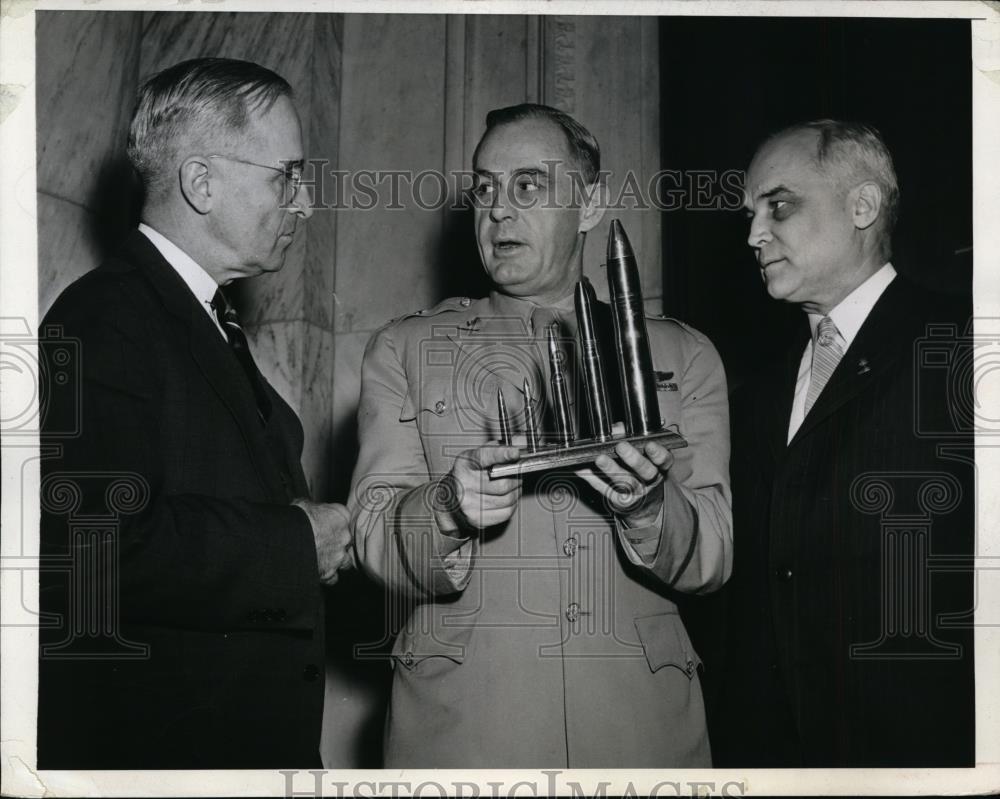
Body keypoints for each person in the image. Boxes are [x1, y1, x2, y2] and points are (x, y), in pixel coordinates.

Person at [348, 103, 731, 768]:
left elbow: (714, 552)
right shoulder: (406, 347)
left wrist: (647, 508)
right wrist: (447, 507)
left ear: (589, 204)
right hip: (464, 733)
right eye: (486, 189)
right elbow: (374, 534)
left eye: (527, 186)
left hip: (641, 734)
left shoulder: (682, 353)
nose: (497, 210)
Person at [37, 57, 352, 769]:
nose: (303, 204)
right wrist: (296, 546)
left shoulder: (202, 319)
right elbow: (92, 550)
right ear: (201, 182)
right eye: (286, 176)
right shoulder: (104, 318)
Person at [712, 120, 974, 767]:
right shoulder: (757, 397)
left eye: (778, 206)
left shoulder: (966, 343)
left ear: (861, 205)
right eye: (749, 214)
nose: (753, 235)